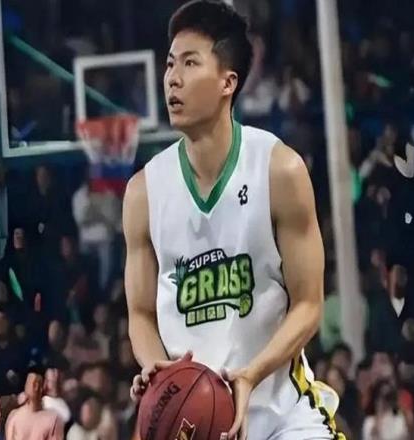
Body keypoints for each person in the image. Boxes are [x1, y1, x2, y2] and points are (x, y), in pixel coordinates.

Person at [123, 1, 340, 439]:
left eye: (190, 63)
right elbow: (141, 313)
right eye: (170, 64)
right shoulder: (143, 192)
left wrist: (250, 375)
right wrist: (155, 367)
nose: (172, 78)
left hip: (283, 415)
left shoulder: (280, 170)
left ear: (228, 82)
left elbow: (309, 305)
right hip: (196, 424)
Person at [5, 367, 64, 440]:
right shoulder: (14, 416)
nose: (34, 387)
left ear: (43, 387)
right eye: (30, 383)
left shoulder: (53, 419)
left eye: (37, 384)